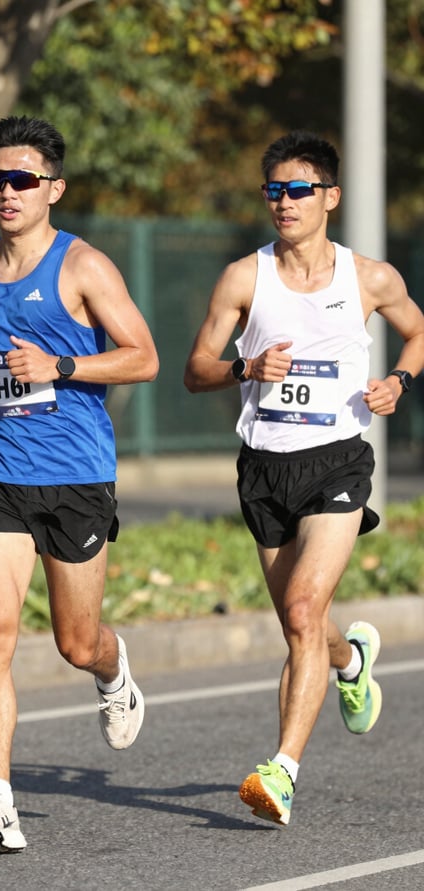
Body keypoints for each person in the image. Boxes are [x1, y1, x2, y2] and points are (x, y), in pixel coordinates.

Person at [0, 115, 159, 853]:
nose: (7, 191)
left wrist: (59, 366)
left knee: (74, 640)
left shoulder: (82, 266)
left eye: (23, 178)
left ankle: (114, 669)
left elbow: (143, 356)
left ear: (53, 187)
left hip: (75, 475)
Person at [184, 130, 424, 826]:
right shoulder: (242, 277)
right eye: (274, 191)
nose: (284, 203)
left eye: (298, 190)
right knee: (305, 626)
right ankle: (351, 659)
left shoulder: (369, 278)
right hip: (264, 467)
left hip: (338, 461)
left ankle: (280, 770)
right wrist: (244, 368)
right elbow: (196, 368)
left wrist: (400, 382)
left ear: (330, 197)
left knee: (301, 609)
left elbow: (419, 329)